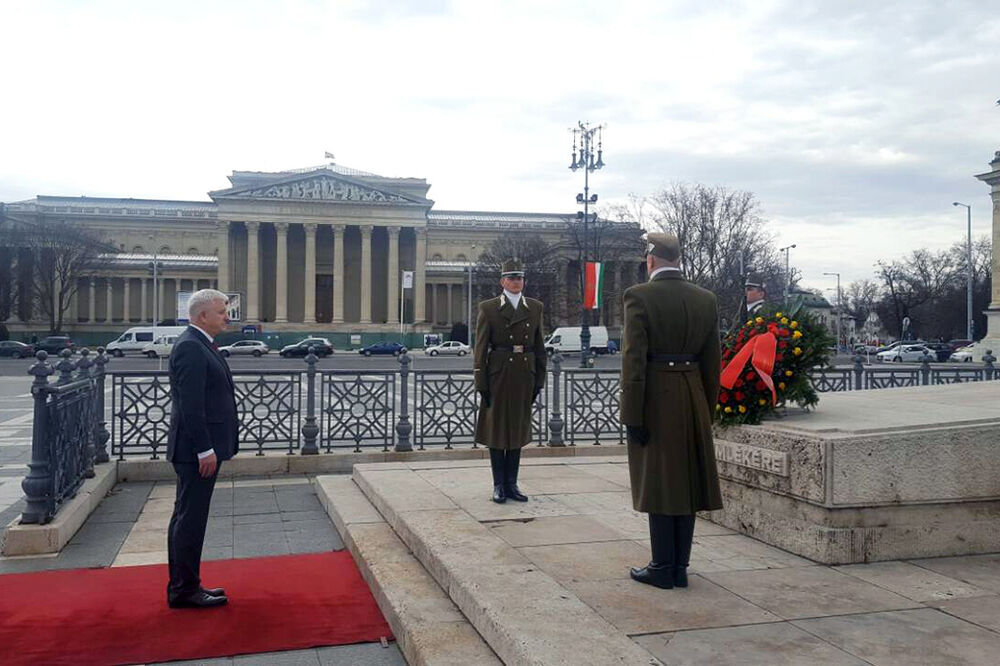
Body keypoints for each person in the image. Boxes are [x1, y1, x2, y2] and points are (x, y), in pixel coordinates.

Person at [620, 233, 723, 589]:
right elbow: (713, 361)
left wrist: (632, 414)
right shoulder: (705, 299)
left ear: (650, 260)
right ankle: (680, 567)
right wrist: (705, 407)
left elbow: (633, 361)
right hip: (692, 394)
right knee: (687, 482)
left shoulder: (639, 296)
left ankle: (662, 567)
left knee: (661, 483)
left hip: (656, 398)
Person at [166, 289, 239, 608]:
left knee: (186, 517)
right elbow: (190, 405)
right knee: (190, 520)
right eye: (222, 311)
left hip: (198, 448)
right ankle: (184, 591)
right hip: (196, 450)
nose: (227, 316)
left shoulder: (199, 343)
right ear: (202, 316)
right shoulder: (191, 348)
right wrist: (204, 449)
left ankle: (187, 584)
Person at [473, 259, 546, 503]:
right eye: (512, 278)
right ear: (503, 281)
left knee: (517, 430)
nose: (516, 282)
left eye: (520, 278)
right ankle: (498, 485)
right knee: (496, 431)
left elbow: (539, 345)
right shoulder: (489, 307)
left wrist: (539, 379)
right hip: (499, 373)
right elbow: (480, 348)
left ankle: (512, 484)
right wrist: (481, 381)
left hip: (524, 373)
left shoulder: (535, 307)